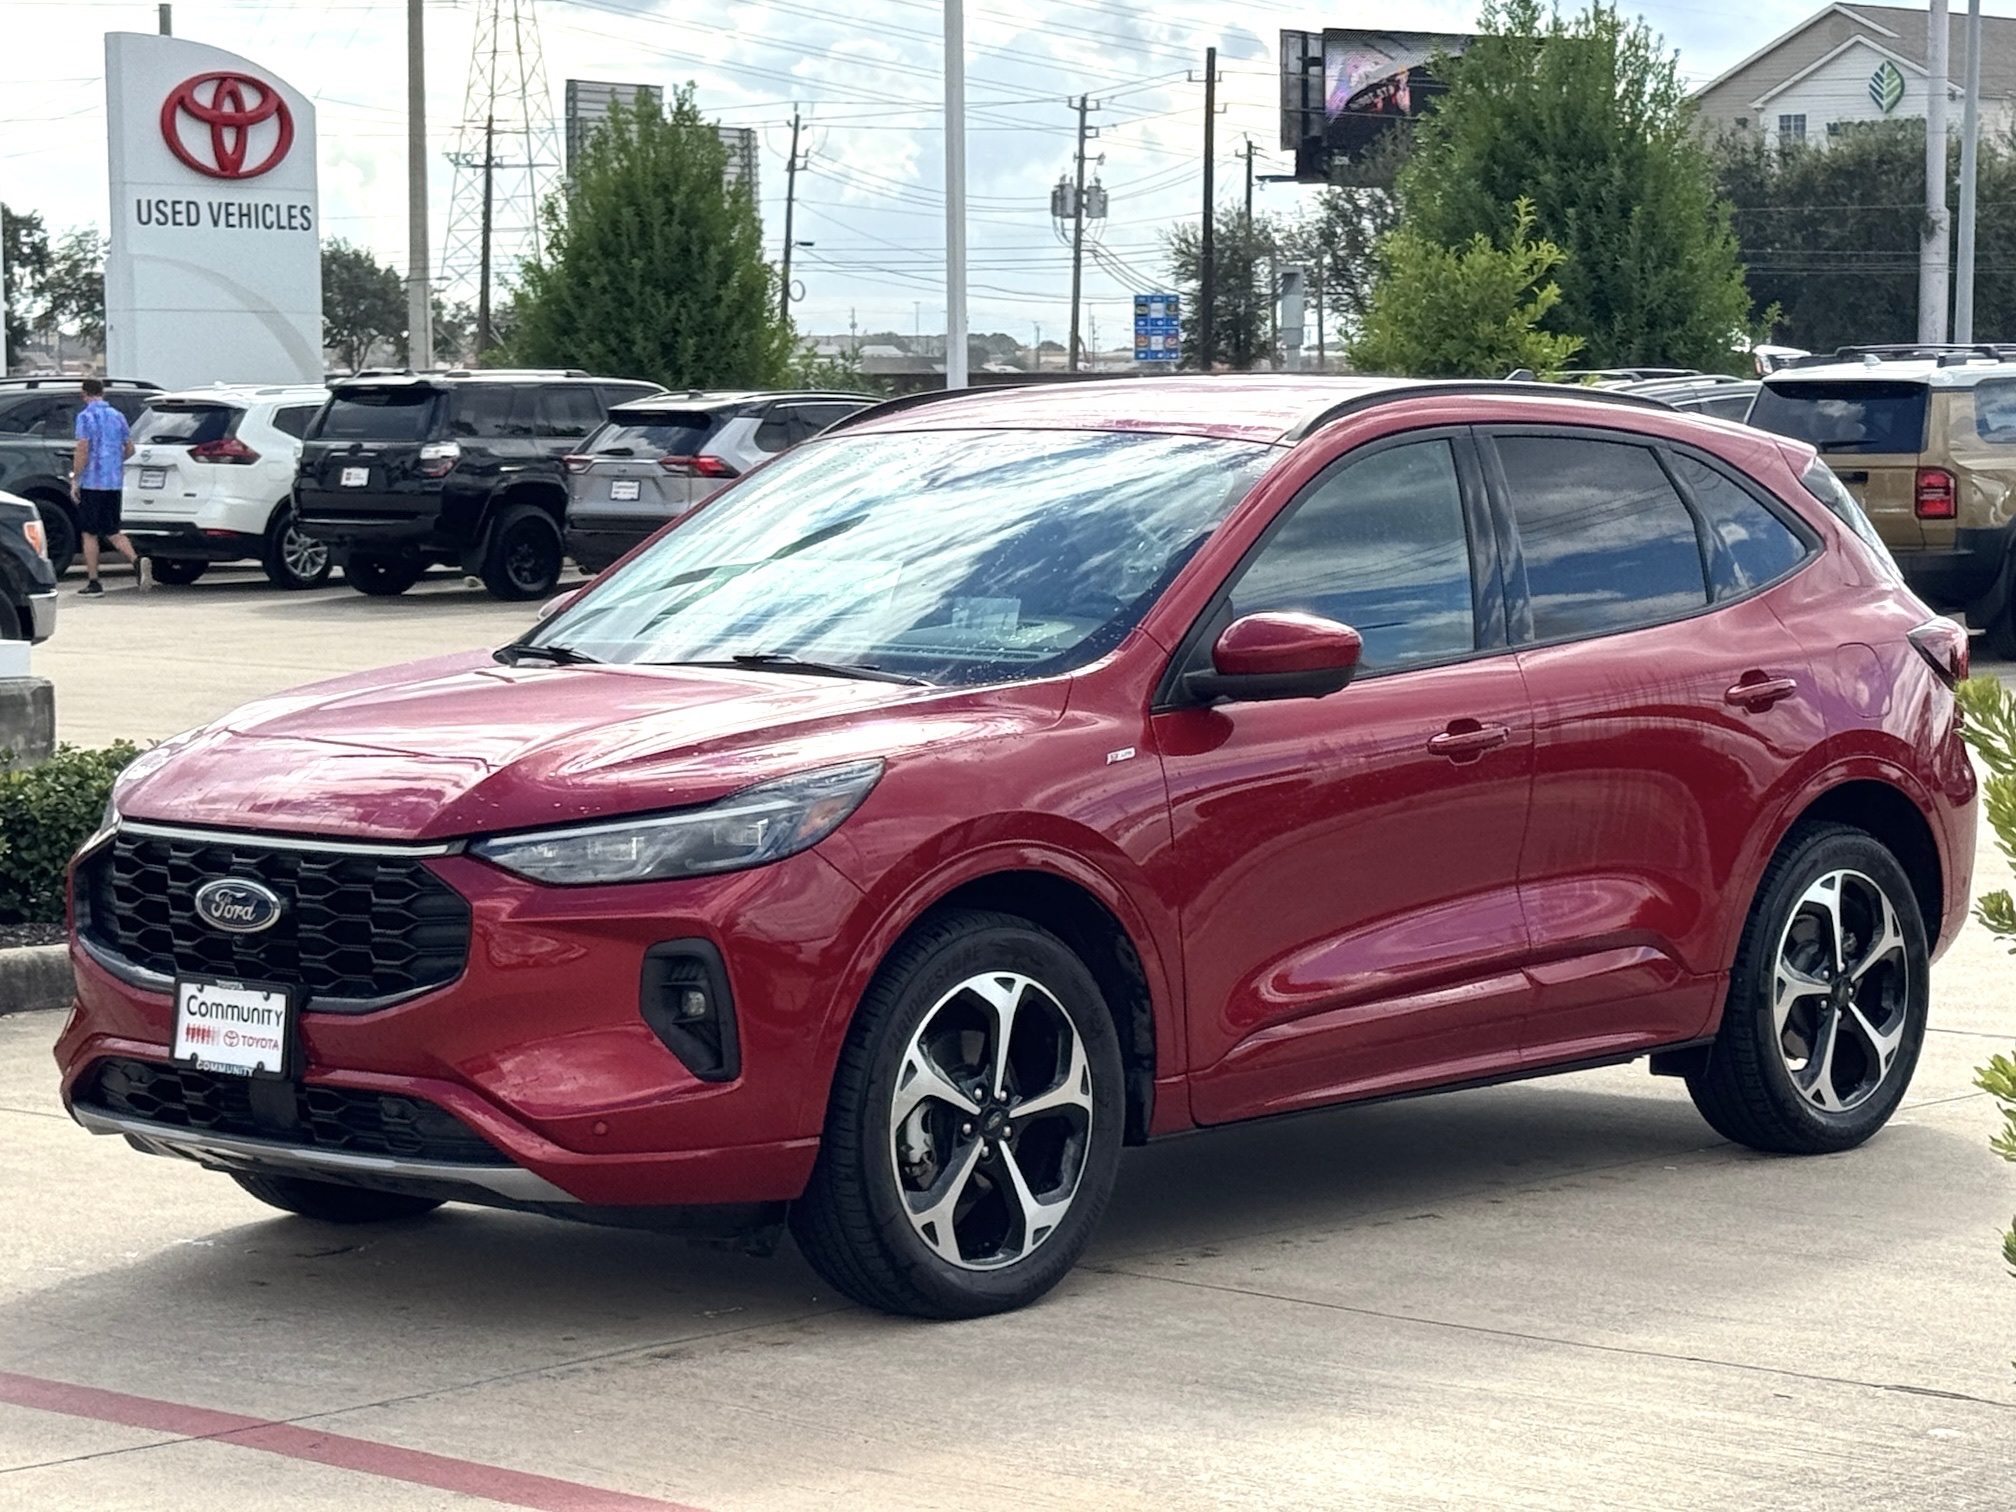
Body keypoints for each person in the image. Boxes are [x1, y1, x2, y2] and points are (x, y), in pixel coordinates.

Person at [71, 378, 149, 595]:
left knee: (89, 533)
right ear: (102, 392)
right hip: (113, 482)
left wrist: (76, 477)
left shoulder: (85, 417)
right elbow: (130, 448)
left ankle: (94, 581)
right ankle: (137, 560)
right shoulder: (117, 416)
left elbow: (82, 448)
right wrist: (115, 462)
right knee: (112, 530)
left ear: (84, 394)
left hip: (92, 482)